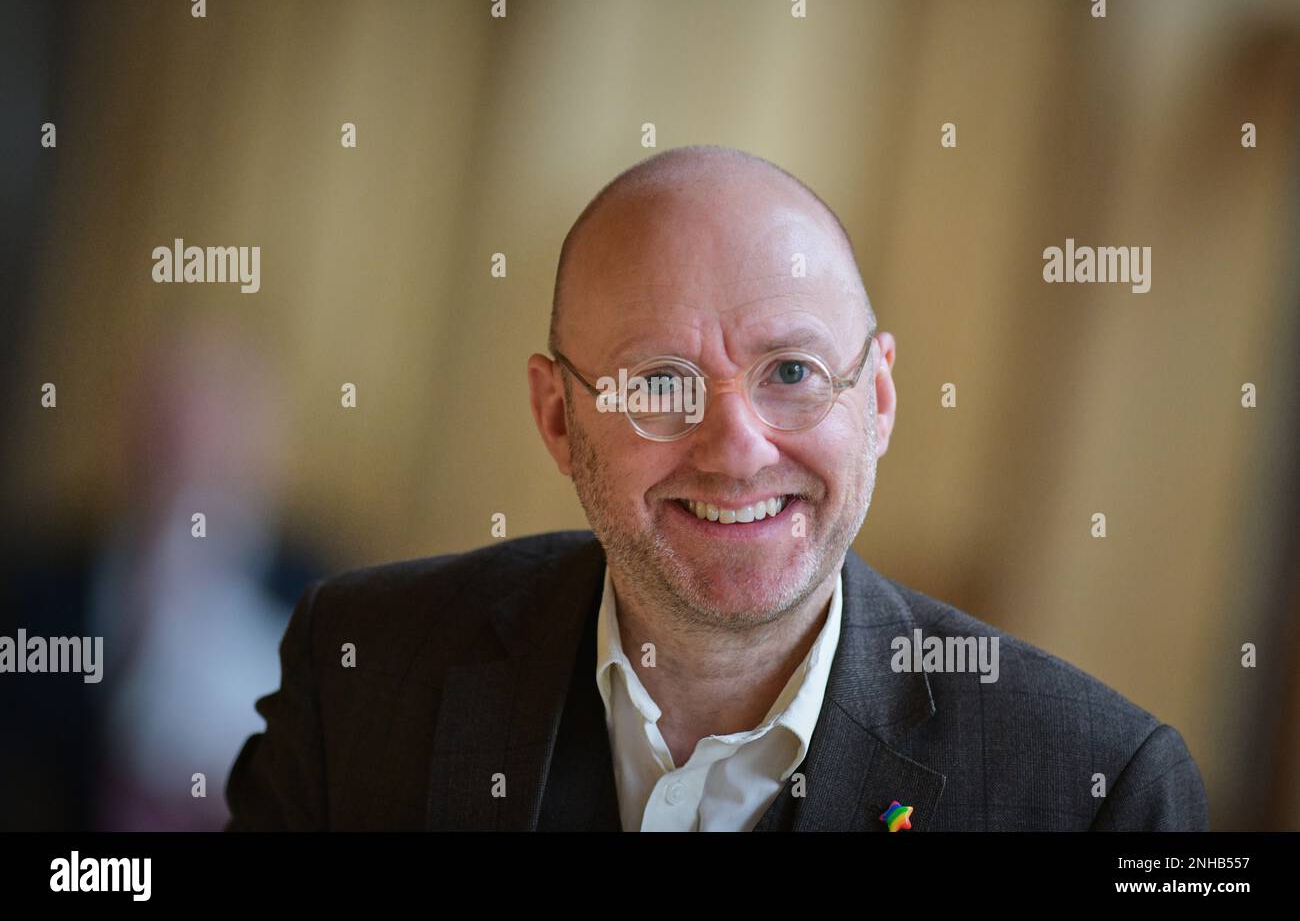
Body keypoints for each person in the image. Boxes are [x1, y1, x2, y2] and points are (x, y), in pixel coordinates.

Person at [225, 144, 1210, 831]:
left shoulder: (1093, 792)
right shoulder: (360, 671)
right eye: (660, 383)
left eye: (791, 372)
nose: (736, 448)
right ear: (557, 417)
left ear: (876, 396)